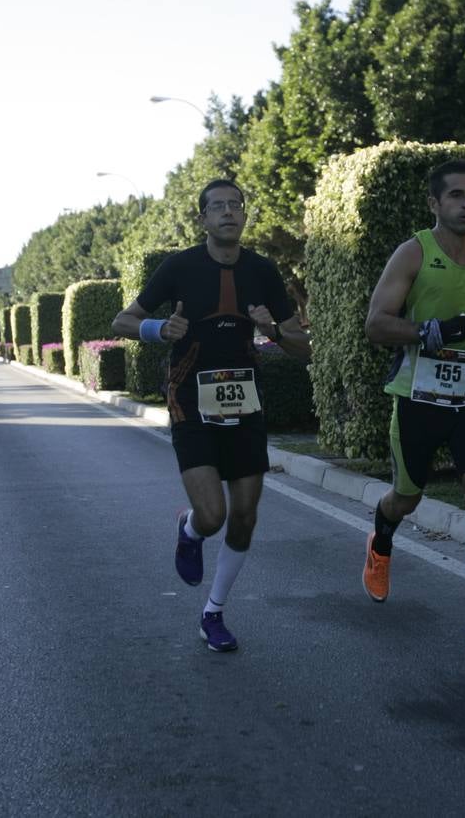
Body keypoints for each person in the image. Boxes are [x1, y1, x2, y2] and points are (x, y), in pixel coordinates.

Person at [112, 179, 310, 652]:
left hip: (245, 404)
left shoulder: (263, 271)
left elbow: (304, 351)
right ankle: (190, 529)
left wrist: (273, 333)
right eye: (216, 207)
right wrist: (160, 328)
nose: (227, 213)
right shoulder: (179, 267)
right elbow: (122, 320)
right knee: (213, 515)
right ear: (202, 218)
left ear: (244, 215)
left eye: (234, 205)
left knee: (244, 518)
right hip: (190, 400)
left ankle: (213, 612)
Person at [362, 158, 465, 654]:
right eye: (455, 195)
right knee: (406, 498)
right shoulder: (413, 254)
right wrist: (427, 331)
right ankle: (381, 542)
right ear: (435, 203)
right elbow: (375, 324)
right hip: (417, 398)